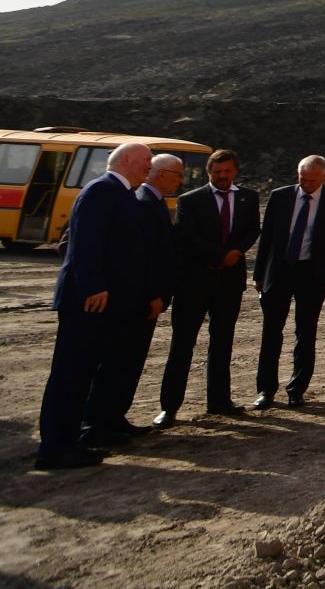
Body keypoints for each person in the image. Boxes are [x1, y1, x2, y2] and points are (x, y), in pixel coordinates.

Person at [36, 141, 150, 469]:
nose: (150, 166)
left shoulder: (122, 192)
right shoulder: (101, 190)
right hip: (88, 302)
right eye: (146, 160)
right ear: (126, 160)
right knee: (71, 374)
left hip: (104, 304)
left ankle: (70, 441)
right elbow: (83, 243)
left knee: (84, 374)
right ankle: (55, 448)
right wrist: (94, 287)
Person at [81, 150, 183, 444]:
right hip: (136, 299)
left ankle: (113, 418)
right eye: (178, 175)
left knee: (128, 364)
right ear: (163, 175)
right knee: (116, 364)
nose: (180, 181)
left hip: (141, 298)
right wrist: (153, 294)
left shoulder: (152, 202)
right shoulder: (143, 203)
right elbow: (145, 257)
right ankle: (98, 424)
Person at [155, 148, 261, 425]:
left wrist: (236, 252)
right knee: (182, 344)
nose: (222, 177)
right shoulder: (190, 200)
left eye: (227, 172)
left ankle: (219, 401)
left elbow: (252, 230)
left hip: (229, 282)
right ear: (209, 173)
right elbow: (186, 236)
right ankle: (169, 406)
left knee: (222, 342)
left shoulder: (249, 198)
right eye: (217, 172)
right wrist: (218, 257)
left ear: (235, 171)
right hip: (194, 281)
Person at [252, 155, 325, 409]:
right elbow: (268, 238)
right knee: (271, 333)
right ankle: (265, 390)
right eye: (302, 179)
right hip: (279, 271)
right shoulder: (279, 196)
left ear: (324, 177)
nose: (306, 184)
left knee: (306, 333)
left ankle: (296, 389)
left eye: (312, 180)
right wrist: (259, 275)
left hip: (311, 274)